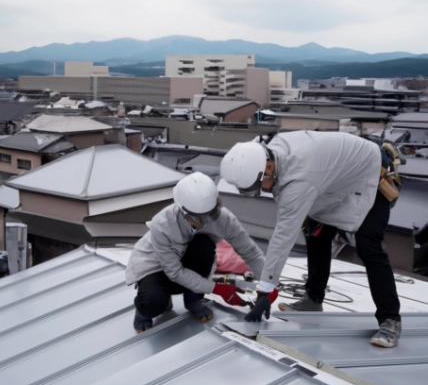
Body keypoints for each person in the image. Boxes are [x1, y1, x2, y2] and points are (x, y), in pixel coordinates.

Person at [220, 131, 402, 348]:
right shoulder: (268, 153)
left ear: (268, 168)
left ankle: (390, 319)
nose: (261, 192)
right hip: (334, 181)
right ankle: (313, 300)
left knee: (368, 247)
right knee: (316, 234)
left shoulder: (299, 179)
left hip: (370, 174)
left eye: (258, 186)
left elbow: (283, 238)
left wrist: (264, 292)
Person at [125, 172, 272, 333]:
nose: (205, 222)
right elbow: (174, 272)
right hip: (156, 267)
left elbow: (250, 252)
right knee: (153, 303)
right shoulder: (162, 224)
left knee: (204, 244)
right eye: (198, 218)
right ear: (182, 210)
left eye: (209, 215)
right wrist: (217, 288)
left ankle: (192, 300)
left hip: (185, 265)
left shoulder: (224, 219)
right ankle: (147, 306)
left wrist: (269, 287)